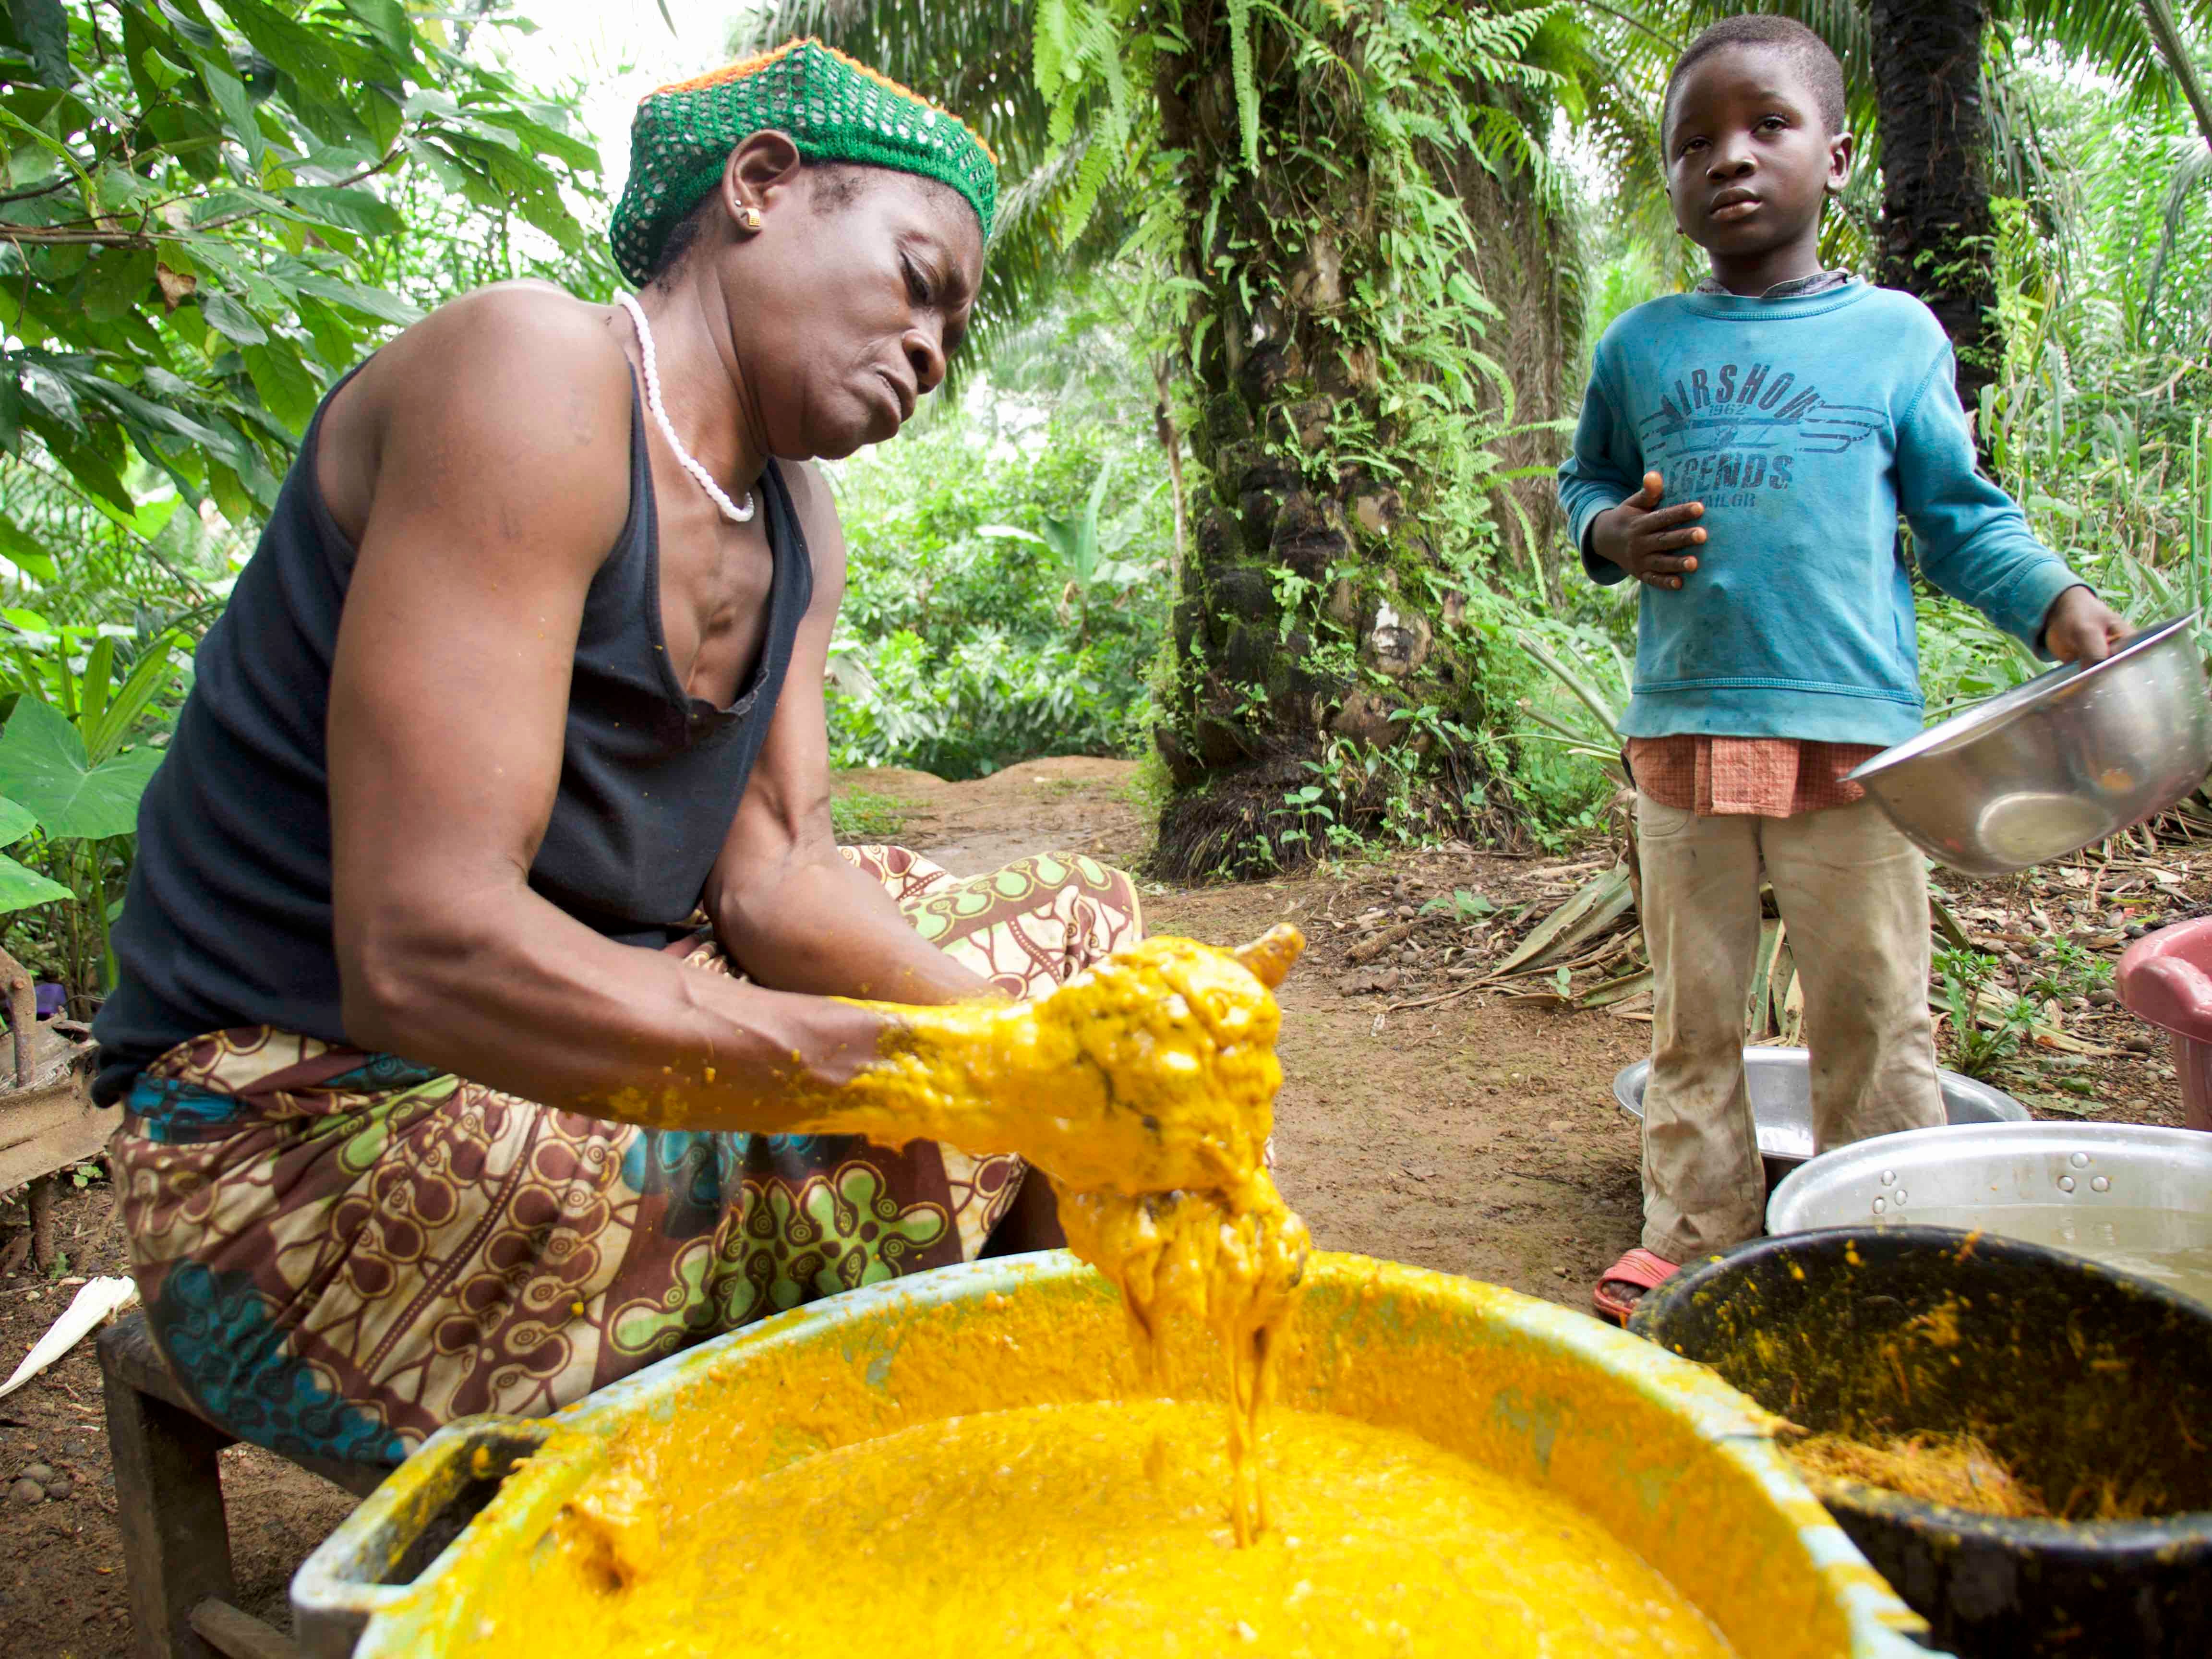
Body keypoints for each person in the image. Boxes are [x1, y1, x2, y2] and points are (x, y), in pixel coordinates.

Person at [91, 40, 1269, 1466]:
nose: (933, 354)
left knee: (1092, 951)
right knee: (927, 1106)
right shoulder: (530, 375)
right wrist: (950, 1075)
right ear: (763, 186)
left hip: (550, 1069)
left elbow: (780, 881)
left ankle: (1081, 1445)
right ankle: (987, 1456)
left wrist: (1050, 1058)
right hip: (306, 1144)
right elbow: (423, 950)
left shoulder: (799, 522)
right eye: (917, 282)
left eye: (954, 332)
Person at [1556, 16, 2128, 1324]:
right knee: (1692, 1012)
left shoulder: (1895, 338)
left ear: (1839, 152)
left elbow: (1961, 511)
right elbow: (1585, 478)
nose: (1732, 161)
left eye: (1768, 127)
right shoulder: (1640, 348)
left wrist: (2057, 606)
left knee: (1873, 1008)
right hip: (1686, 737)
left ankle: (1891, 1232)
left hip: (1854, 751)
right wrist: (1608, 531)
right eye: (1696, 143)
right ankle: (1693, 1232)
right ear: (1672, 182)